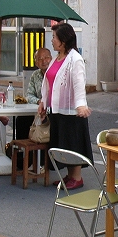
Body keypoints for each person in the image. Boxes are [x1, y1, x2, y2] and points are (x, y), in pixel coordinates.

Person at [38, 23, 92, 190]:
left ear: (63, 40)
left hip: (71, 111)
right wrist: (43, 102)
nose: (52, 41)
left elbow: (78, 84)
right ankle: (69, 176)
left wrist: (81, 105)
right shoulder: (57, 57)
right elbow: (49, 82)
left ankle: (77, 177)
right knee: (63, 144)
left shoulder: (75, 59)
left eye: (54, 37)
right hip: (57, 110)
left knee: (72, 144)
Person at [10, 47, 52, 168]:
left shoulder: (55, 73)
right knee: (21, 120)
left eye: (46, 58)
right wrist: (39, 101)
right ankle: (24, 157)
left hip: (51, 111)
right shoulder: (35, 75)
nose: (44, 61)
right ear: (35, 62)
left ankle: (44, 161)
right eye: (40, 59)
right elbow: (29, 95)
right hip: (38, 110)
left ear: (51, 58)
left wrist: (45, 103)